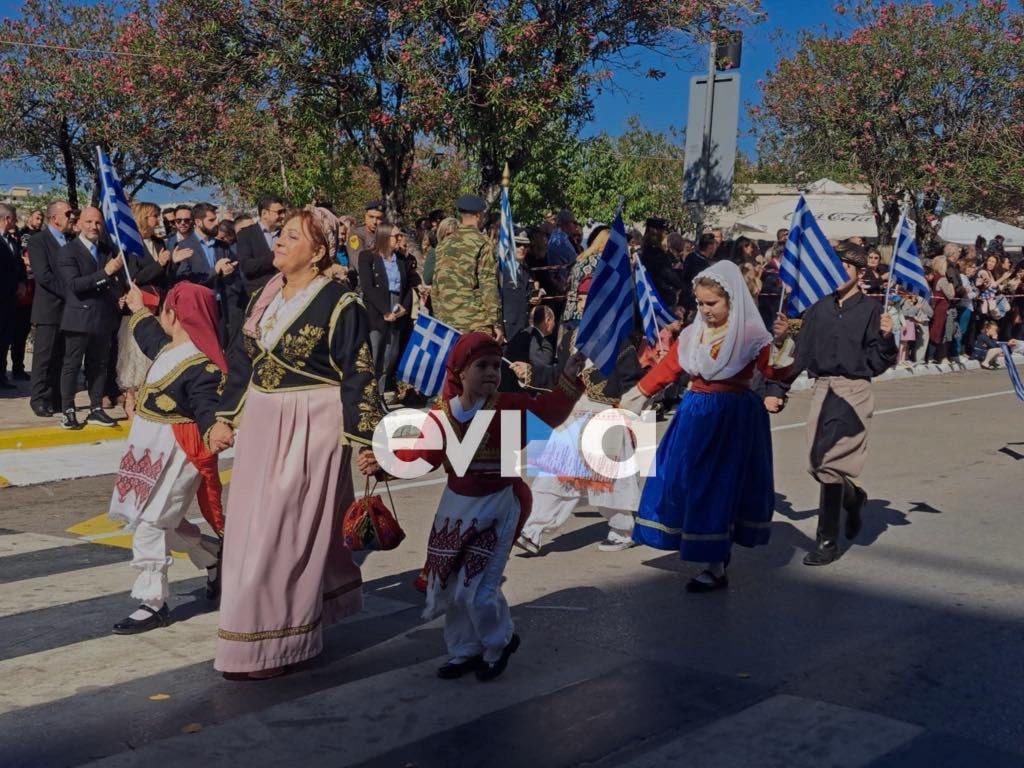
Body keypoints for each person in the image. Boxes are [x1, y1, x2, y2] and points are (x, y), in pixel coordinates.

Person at [206, 207, 385, 680]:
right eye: (279, 235)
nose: (279, 243)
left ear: (320, 250)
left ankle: (278, 642)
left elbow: (360, 375)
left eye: (291, 237)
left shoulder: (341, 302)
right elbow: (241, 362)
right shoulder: (264, 296)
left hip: (313, 424)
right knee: (251, 530)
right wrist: (225, 418)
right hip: (264, 424)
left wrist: (366, 441)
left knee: (283, 533)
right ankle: (259, 637)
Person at [358, 332, 587, 681]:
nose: (492, 372)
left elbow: (549, 412)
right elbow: (421, 457)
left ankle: (499, 643)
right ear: (461, 372)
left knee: (479, 589)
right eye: (481, 365)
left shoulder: (512, 406)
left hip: (500, 506)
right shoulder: (441, 416)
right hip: (456, 510)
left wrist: (569, 377)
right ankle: (464, 650)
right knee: (451, 587)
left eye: (496, 365)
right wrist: (382, 465)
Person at [618, 261, 790, 591]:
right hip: (695, 414)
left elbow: (773, 373)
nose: (705, 310)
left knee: (717, 487)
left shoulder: (752, 335)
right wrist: (637, 395)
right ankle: (708, 549)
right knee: (681, 480)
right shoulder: (693, 334)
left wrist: (782, 344)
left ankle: (714, 563)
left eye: (712, 303)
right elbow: (669, 368)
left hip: (733, 417)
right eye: (700, 303)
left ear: (731, 301)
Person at [767, 243, 896, 566]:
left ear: (858, 273)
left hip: (854, 390)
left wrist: (886, 338)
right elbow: (802, 355)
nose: (839, 276)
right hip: (822, 388)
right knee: (816, 463)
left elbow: (878, 362)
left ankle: (827, 540)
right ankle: (854, 499)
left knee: (829, 464)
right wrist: (778, 387)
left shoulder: (870, 311)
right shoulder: (818, 309)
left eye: (846, 269)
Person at [109, 282, 227, 634]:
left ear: (175, 314)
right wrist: (138, 309)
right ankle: (213, 556)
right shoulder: (170, 348)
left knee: (151, 523)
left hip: (178, 452)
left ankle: (152, 602)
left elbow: (206, 407)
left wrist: (214, 430)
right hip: (151, 450)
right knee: (168, 525)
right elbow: (149, 337)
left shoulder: (200, 364)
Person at [518, 276, 645, 556]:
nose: (584, 303)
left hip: (605, 418)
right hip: (573, 414)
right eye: (582, 298)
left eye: (590, 297)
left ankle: (624, 529)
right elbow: (558, 375)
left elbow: (634, 384)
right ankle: (532, 529)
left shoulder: (619, 344)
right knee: (554, 474)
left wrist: (627, 419)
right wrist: (530, 372)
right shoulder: (573, 337)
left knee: (608, 486)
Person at [56, 207, 125, 429]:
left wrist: (118, 295)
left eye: (97, 222)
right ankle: (68, 409)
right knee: (72, 366)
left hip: (103, 317)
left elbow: (116, 281)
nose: (93, 226)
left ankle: (96, 407)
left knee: (99, 365)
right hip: (79, 318)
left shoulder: (106, 249)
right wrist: (106, 273)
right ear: (78, 225)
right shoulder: (69, 252)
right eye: (88, 222)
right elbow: (75, 285)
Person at [171, 202, 248, 346]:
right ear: (198, 222)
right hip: (201, 308)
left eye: (216, 219)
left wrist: (229, 272)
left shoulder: (222, 246)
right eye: (211, 220)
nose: (216, 223)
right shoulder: (184, 247)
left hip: (225, 306)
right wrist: (215, 270)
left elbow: (236, 274)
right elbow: (186, 282)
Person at [431, 194, 503, 340]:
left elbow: (436, 284)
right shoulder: (482, 242)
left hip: (447, 321)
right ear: (478, 215)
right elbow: (488, 284)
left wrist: (439, 316)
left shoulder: (444, 243)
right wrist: (496, 323)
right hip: (475, 321)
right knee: (477, 361)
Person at [28, 201, 74, 416]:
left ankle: (55, 398)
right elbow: (43, 275)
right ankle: (38, 399)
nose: (71, 217)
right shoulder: (39, 241)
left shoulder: (71, 241)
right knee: (43, 357)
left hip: (69, 311)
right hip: (49, 308)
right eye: (67, 213)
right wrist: (71, 292)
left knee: (62, 356)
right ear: (54, 217)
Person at [358, 223, 412, 401]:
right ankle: (369, 396)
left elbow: (407, 286)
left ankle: (380, 394)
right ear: (385, 237)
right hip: (378, 309)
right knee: (376, 352)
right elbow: (368, 287)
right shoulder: (368, 257)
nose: (399, 240)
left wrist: (403, 307)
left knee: (390, 353)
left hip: (397, 308)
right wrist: (385, 310)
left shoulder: (402, 260)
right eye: (395, 236)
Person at [501, 304, 557, 392]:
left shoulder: (523, 334)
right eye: (554, 320)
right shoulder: (536, 339)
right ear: (548, 320)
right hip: (517, 392)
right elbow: (541, 369)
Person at [236, 194, 287, 290]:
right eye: (279, 212)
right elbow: (247, 267)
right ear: (264, 214)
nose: (283, 215)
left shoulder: (285, 233)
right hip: (258, 293)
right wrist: (275, 255)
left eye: (284, 211)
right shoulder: (246, 234)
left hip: (284, 292)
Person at [499, 231, 533, 342]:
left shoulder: (526, 271)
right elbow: (497, 299)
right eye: (518, 245)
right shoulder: (501, 270)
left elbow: (526, 296)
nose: (522, 248)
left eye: (526, 246)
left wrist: (536, 296)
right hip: (507, 329)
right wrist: (499, 327)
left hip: (523, 326)